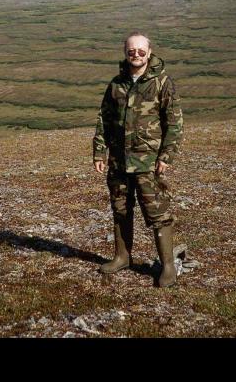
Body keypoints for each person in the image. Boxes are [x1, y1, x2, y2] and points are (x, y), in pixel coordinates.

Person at [92, 31, 184, 287]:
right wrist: (100, 152)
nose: (136, 55)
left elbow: (174, 122)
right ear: (125, 53)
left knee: (158, 213)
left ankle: (167, 266)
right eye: (131, 51)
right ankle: (122, 257)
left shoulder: (162, 83)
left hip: (148, 162)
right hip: (119, 162)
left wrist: (166, 155)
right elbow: (104, 120)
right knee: (120, 209)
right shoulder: (116, 84)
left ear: (149, 52)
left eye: (141, 50)